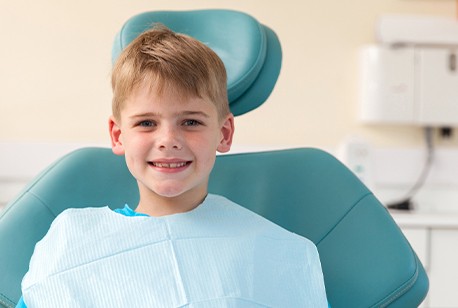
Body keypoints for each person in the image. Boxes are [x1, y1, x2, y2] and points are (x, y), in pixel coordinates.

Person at [17, 24, 328, 307]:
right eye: (147, 122)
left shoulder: (278, 253)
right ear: (117, 135)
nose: (168, 139)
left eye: (190, 121)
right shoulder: (71, 244)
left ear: (224, 133)